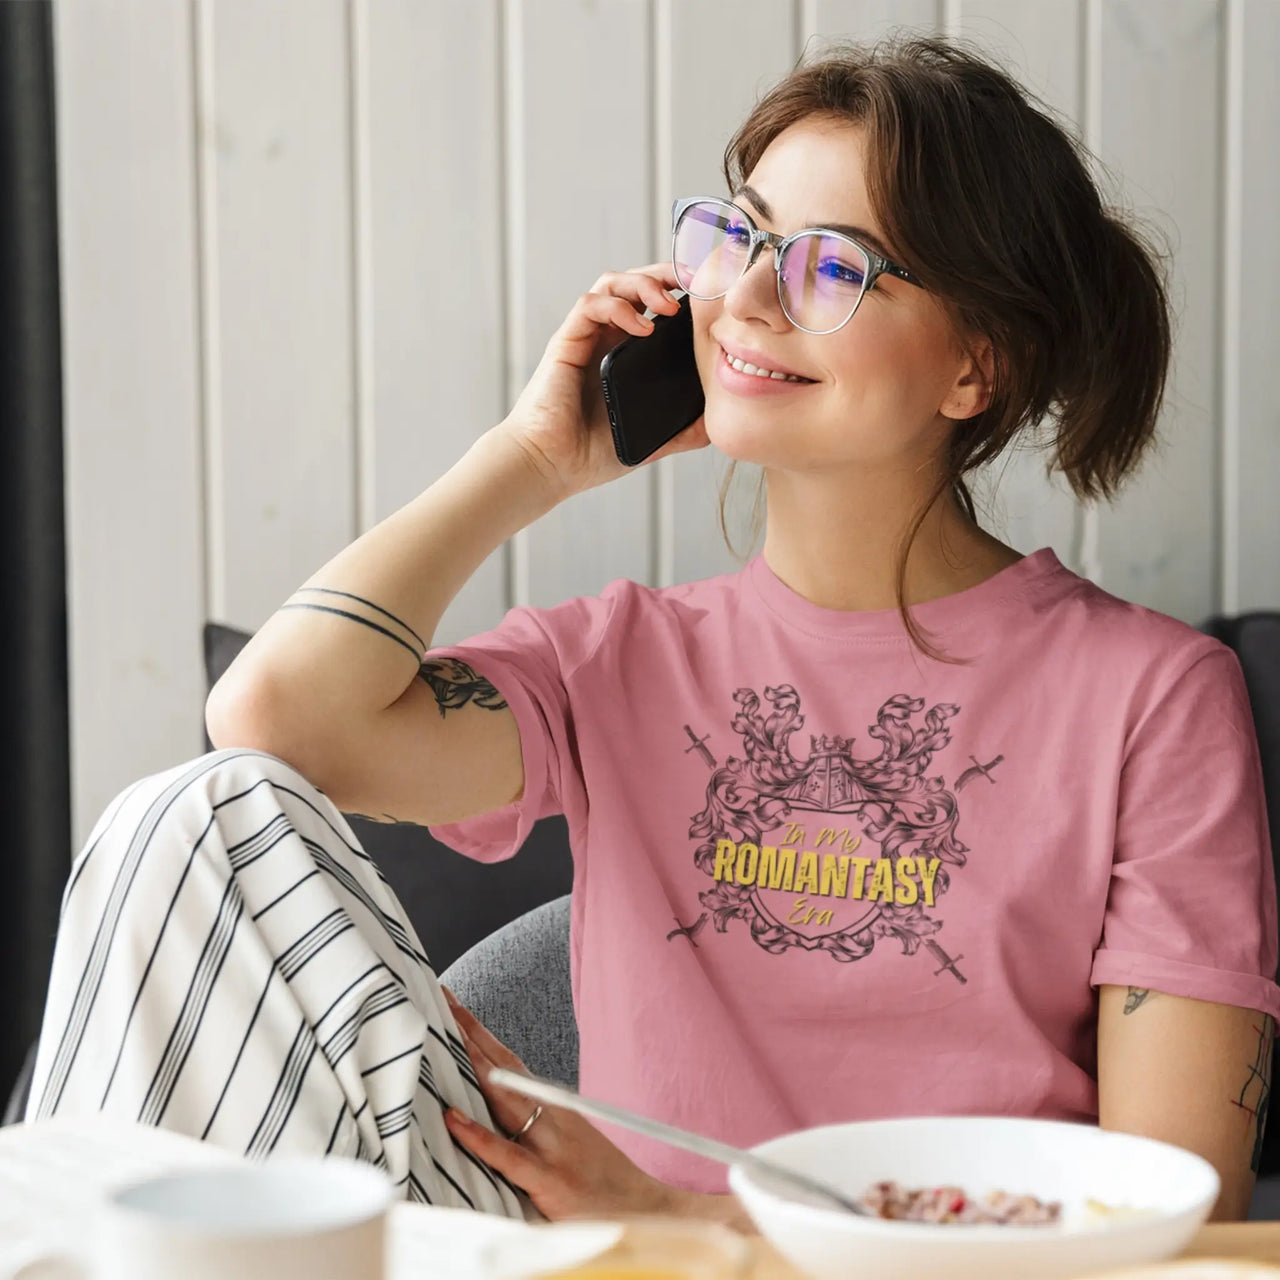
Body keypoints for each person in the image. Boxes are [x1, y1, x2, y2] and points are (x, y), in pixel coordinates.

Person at [26, 33, 1279, 1228]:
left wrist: (691, 1223)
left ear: (973, 369)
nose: (742, 294)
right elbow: (267, 723)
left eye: (829, 265)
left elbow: (1173, 1212)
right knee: (180, 820)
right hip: (589, 1249)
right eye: (740, 237)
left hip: (899, 1264)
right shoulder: (617, 660)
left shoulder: (1152, 697)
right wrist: (528, 459)